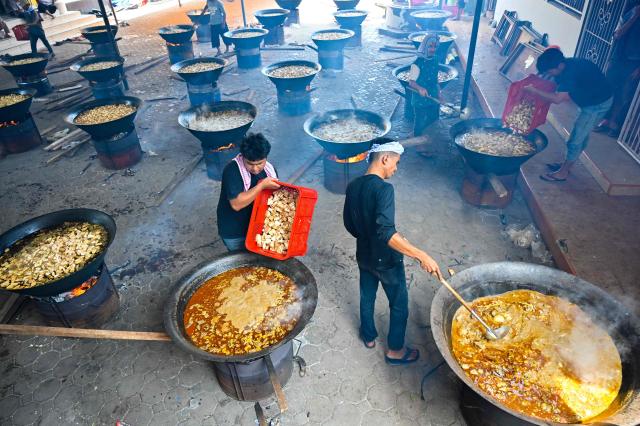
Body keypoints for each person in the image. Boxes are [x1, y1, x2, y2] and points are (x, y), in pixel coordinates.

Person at [343, 139, 442, 366]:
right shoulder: (384, 189)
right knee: (398, 304)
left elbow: (350, 224)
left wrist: (372, 235)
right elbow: (386, 233)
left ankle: (368, 337)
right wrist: (421, 255)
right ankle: (395, 350)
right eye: (396, 163)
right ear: (385, 159)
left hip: (364, 255)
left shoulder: (353, 185)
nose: (395, 169)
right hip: (386, 260)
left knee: (367, 296)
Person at [525, 48, 612, 182]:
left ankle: (563, 172)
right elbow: (553, 83)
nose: (550, 74)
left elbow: (557, 99)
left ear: (559, 65)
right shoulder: (565, 65)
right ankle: (568, 165)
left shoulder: (570, 74)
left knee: (575, 139)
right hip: (589, 99)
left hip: (597, 105)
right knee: (581, 134)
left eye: (550, 71)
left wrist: (534, 91)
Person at [216, 133, 280, 251]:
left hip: (257, 227)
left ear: (266, 157)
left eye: (260, 163)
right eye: (250, 164)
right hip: (234, 231)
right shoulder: (232, 171)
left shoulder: (270, 170)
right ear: (243, 157)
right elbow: (236, 204)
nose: (255, 169)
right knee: (243, 261)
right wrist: (262, 186)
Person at [595, 0, 640, 138]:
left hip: (634, 63)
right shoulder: (630, 12)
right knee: (609, 90)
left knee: (624, 95)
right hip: (618, 59)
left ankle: (614, 124)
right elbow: (617, 35)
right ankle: (604, 120)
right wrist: (634, 17)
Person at [408, 34, 441, 137]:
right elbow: (411, 82)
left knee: (433, 118)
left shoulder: (435, 59)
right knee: (420, 122)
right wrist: (420, 88)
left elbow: (435, 78)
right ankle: (418, 141)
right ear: (424, 46)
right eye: (430, 46)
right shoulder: (416, 64)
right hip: (420, 99)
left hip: (433, 96)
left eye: (435, 47)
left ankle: (428, 137)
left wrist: (439, 92)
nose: (433, 49)